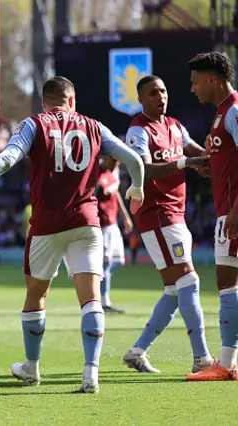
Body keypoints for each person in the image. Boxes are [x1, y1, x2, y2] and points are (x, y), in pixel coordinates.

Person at [0, 76, 145, 393]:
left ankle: (32, 369)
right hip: (87, 223)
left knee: (36, 297)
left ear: (45, 102)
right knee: (90, 299)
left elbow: (6, 160)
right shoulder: (95, 126)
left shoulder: (34, 125)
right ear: (72, 100)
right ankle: (91, 374)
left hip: (47, 225)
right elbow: (133, 159)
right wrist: (137, 187)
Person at [121, 75, 214, 375]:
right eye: (152, 93)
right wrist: (185, 164)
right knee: (189, 281)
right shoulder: (138, 129)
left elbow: (197, 152)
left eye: (163, 91)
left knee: (175, 289)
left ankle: (137, 351)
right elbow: (143, 169)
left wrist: (215, 158)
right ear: (141, 99)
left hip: (176, 213)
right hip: (158, 214)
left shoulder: (175, 126)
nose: (159, 97)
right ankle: (202, 358)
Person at [186, 52, 238, 381]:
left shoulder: (233, 111)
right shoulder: (222, 114)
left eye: (195, 82)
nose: (192, 89)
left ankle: (227, 365)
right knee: (228, 283)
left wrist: (235, 211)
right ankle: (228, 363)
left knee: (227, 283)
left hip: (233, 214)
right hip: (228, 209)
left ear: (212, 80)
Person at [96, 157, 133, 314]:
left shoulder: (113, 171)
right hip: (102, 223)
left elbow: (115, 192)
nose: (117, 165)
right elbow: (102, 189)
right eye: (116, 162)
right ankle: (104, 301)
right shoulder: (98, 171)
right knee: (105, 264)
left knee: (118, 261)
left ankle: (98, 282)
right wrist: (109, 187)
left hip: (113, 223)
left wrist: (125, 216)